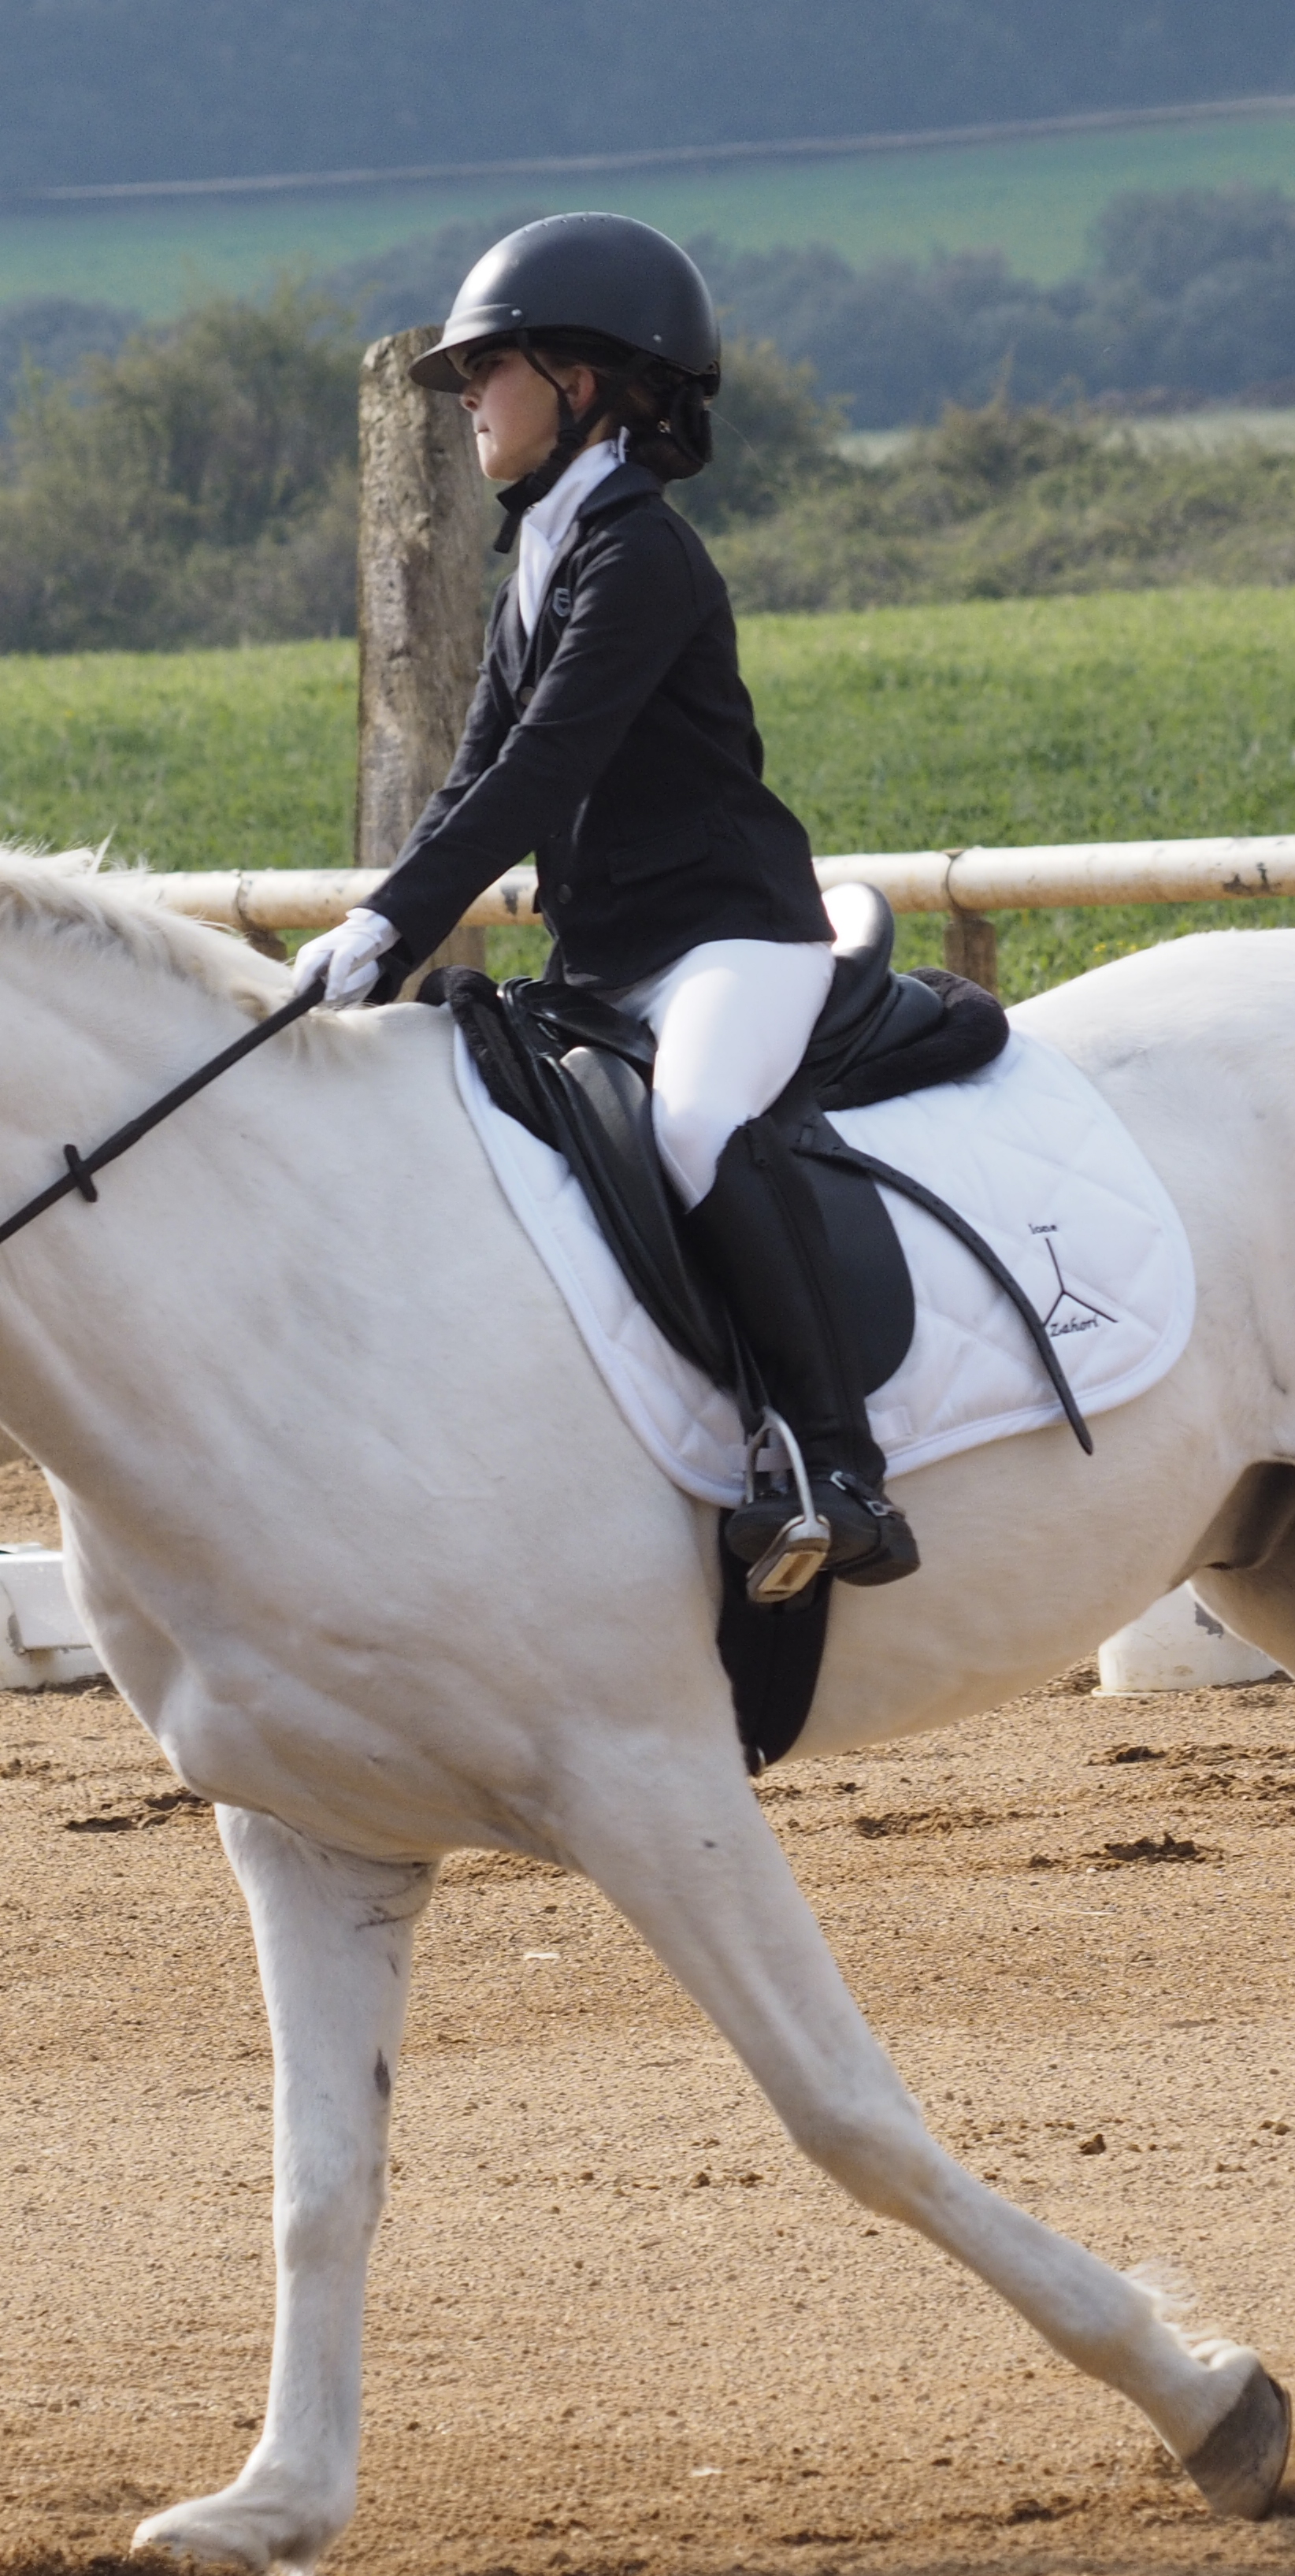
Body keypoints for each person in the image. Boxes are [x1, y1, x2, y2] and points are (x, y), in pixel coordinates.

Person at [291, 213, 916, 1594]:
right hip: (610, 959)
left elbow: (546, 768)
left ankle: (837, 1465)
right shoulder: (543, 558)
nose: (465, 400)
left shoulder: (644, 557)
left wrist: (394, 929)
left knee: (695, 1125)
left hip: (731, 946)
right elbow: (469, 786)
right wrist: (374, 928)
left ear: (586, 382)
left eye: (488, 371)